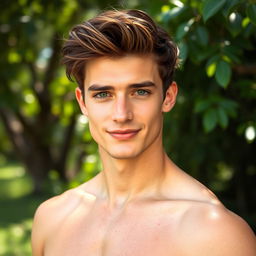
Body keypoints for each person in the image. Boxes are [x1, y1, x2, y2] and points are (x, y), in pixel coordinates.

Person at [31, 9, 256, 256]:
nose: (121, 114)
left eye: (140, 92)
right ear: (83, 102)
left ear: (168, 97)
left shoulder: (216, 233)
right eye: (103, 94)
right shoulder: (51, 218)